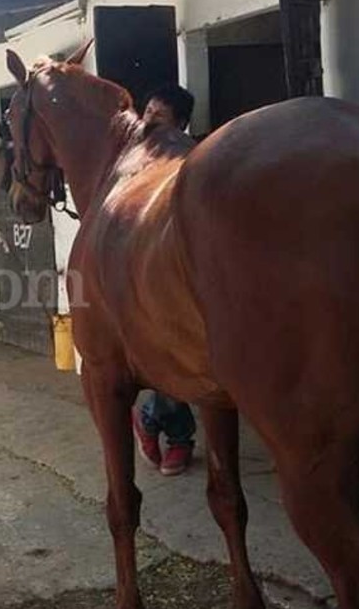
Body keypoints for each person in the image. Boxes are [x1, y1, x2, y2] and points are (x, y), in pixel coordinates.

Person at [131, 84, 199, 477]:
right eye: (149, 111)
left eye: (161, 114)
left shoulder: (189, 157)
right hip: (142, 268)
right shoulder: (131, 157)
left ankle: (150, 418)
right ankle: (179, 437)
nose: (150, 118)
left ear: (181, 123)